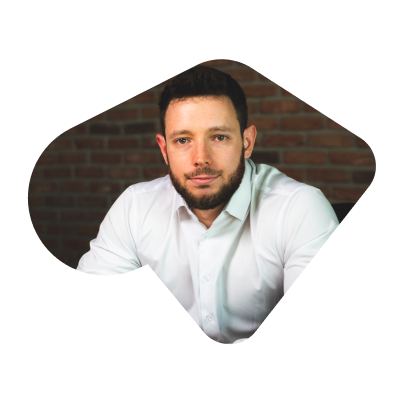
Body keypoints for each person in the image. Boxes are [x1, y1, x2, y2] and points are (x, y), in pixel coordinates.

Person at [77, 66, 339, 344]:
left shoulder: (299, 209)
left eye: (219, 137)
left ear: (247, 142)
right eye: (183, 140)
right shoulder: (134, 208)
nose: (201, 158)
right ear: (164, 149)